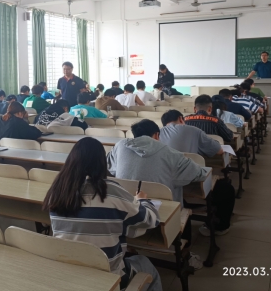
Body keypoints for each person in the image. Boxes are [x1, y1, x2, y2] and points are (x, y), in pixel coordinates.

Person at [43, 137, 162, 291]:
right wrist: (143, 201)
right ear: (102, 162)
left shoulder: (57, 192)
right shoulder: (111, 191)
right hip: (108, 279)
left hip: (68, 273)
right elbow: (150, 220)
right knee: (146, 264)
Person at [159, 110, 224, 158]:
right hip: (190, 170)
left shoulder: (158, 133)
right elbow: (219, 150)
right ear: (180, 119)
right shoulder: (194, 130)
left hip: (164, 170)